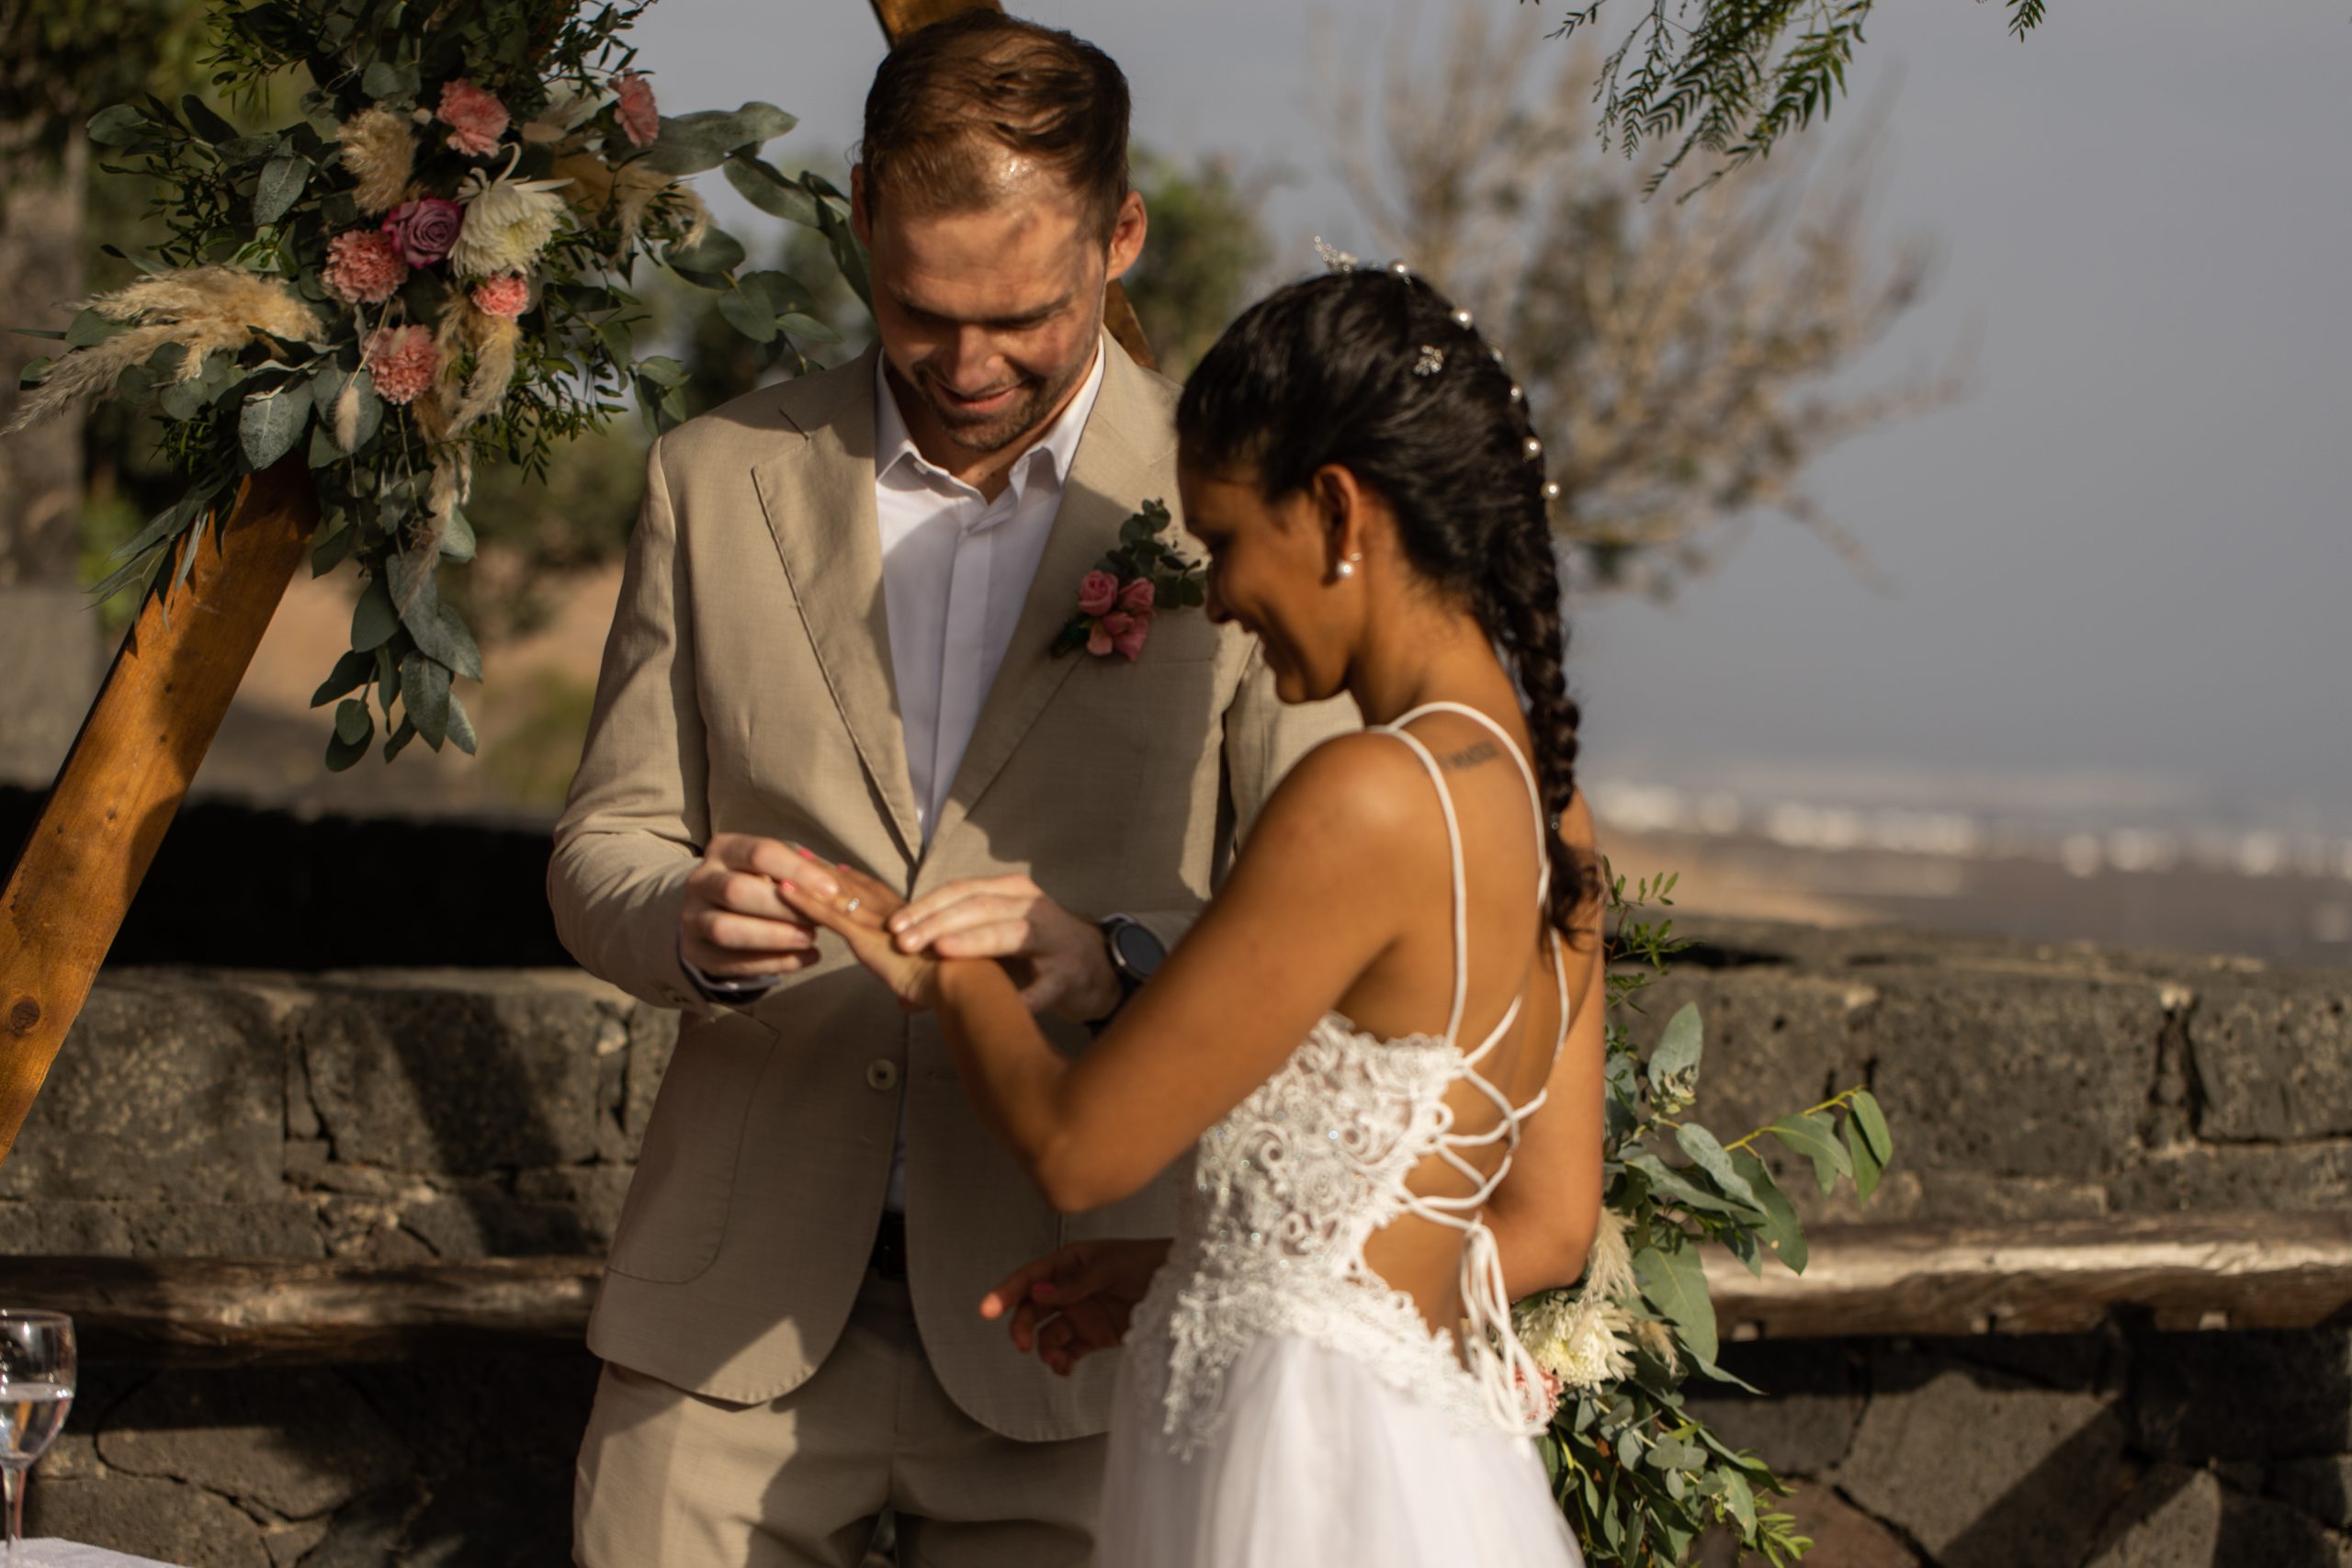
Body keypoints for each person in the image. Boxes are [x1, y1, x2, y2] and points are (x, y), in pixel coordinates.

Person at [549, 14, 1351, 1566]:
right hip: (724, 1324)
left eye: (1026, 316)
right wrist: (690, 923)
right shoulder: (714, 478)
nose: (970, 365)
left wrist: (1116, 961)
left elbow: (1320, 920)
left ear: (1121, 235)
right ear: (857, 213)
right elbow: (605, 847)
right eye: (921, 311)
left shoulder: (1232, 509)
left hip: (1090, 1319)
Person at [784, 266, 1609, 1566]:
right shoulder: (1551, 817)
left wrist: (939, 967)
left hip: (1303, 1469)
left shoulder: (1365, 797)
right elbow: (1545, 1229)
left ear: (1337, 508)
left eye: (1225, 541)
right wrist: (1207, 1272)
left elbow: (1074, 1150)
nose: (1216, 599)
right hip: (1426, 1468)